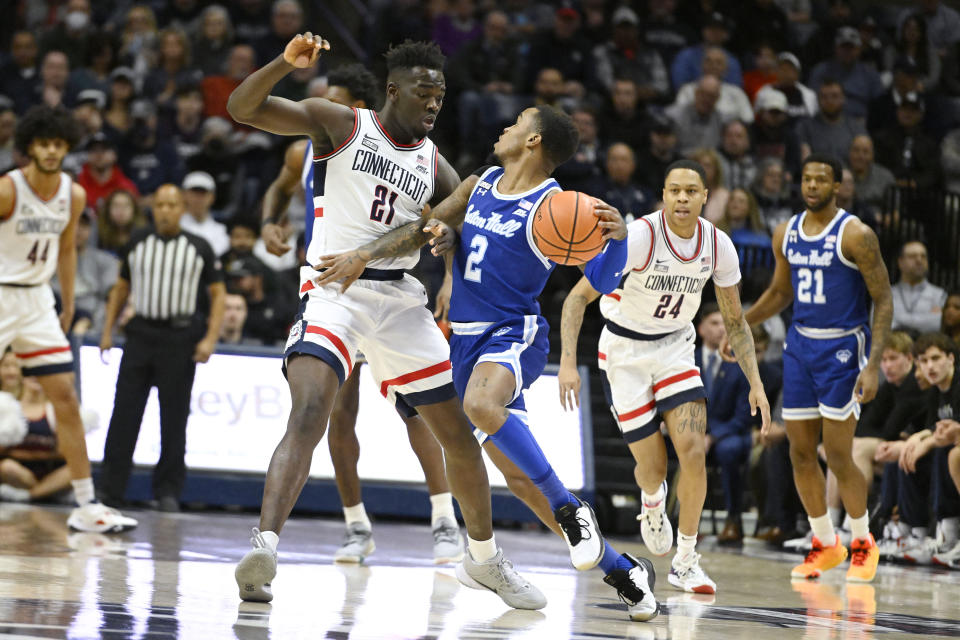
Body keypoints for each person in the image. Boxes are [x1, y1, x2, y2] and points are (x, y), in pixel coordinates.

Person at [227, 35, 545, 609]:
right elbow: (242, 109)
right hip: (334, 292)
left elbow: (468, 224)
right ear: (394, 91)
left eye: (441, 95)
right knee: (310, 412)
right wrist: (282, 63)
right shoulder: (340, 123)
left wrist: (449, 255)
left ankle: (484, 558)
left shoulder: (434, 162)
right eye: (425, 92)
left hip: (400, 302)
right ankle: (264, 549)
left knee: (458, 436)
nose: (434, 103)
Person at [315, 105, 660, 622]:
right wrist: (449, 244)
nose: (504, 127)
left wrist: (616, 240)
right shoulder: (483, 183)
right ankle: (623, 571)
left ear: (534, 140)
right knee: (518, 480)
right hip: (463, 345)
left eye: (516, 123)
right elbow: (444, 231)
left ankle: (571, 510)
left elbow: (607, 280)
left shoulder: (558, 206)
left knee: (479, 404)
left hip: (511, 334)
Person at [257, 61, 465, 564]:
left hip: (392, 293)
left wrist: (451, 276)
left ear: (367, 105)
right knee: (331, 413)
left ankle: (444, 520)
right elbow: (281, 188)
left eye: (345, 100)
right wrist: (270, 221)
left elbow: (445, 218)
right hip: (333, 287)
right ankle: (354, 526)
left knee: (420, 413)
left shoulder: (418, 157)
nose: (335, 108)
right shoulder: (306, 147)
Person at [558, 159, 771, 594]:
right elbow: (577, 299)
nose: (682, 198)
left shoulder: (719, 245)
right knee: (652, 468)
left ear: (706, 197)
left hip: (676, 347)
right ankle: (652, 499)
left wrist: (756, 382)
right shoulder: (639, 236)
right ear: (664, 193)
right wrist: (566, 363)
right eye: (674, 190)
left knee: (692, 450)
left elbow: (734, 320)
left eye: (691, 191)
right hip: (624, 353)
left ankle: (687, 561)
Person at [722, 153, 893, 582]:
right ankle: (824, 542)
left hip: (842, 350)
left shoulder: (857, 235)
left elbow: (884, 300)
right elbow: (781, 292)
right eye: (807, 179)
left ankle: (862, 541)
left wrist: (872, 366)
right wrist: (742, 323)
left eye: (822, 180)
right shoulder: (786, 232)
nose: (812, 185)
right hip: (799, 347)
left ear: (837, 186)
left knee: (837, 453)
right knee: (798, 451)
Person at [0, 104, 136, 532]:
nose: (52, 151)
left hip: (39, 302)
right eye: (44, 143)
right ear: (29, 148)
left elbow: (65, 250)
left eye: (59, 144)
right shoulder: (8, 189)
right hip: (2, 294)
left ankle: (85, 504)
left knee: (67, 400)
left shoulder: (72, 194)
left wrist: (70, 302)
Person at [98, 184, 226, 513]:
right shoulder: (137, 242)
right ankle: (111, 491)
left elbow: (218, 294)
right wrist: (107, 331)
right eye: (160, 205)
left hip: (180, 338)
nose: (166, 210)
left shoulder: (199, 247)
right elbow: (121, 287)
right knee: (124, 414)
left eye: (172, 205)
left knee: (173, 418)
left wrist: (210, 339)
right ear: (153, 208)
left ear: (182, 208)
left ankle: (167, 490)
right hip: (140, 335)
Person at [0, 350, 73, 503]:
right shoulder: (8, 406)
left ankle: (31, 495)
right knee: (7, 467)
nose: (35, 379)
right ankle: (45, 492)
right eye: (31, 374)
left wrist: (29, 452)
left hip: (49, 470)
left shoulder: (54, 410)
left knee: (74, 470)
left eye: (41, 375)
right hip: (18, 471)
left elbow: (65, 451)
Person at [892, 241, 948, 335]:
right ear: (900, 262)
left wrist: (897, 317)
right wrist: (927, 318)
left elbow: (939, 324)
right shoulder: (887, 293)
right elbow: (880, 326)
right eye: (912, 256)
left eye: (923, 256)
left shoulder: (940, 294)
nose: (919, 260)